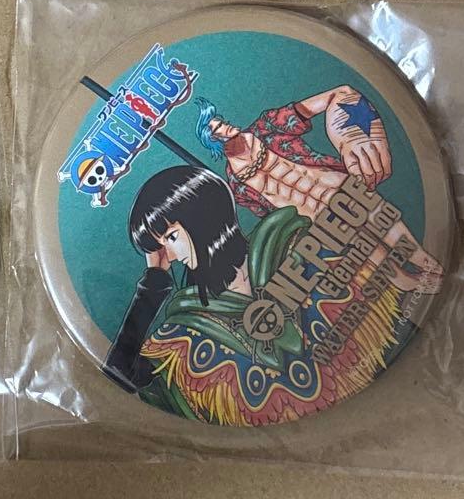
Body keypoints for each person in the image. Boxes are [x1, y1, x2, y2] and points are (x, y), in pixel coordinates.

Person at [104, 165, 407, 426]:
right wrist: (154, 281)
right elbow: (120, 374)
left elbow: (392, 302)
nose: (169, 255)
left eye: (171, 237)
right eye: (159, 246)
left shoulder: (293, 244)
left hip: (396, 393)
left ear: (203, 217)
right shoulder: (186, 331)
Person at [202, 83, 442, 293]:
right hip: (321, 222)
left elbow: (338, 94)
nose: (225, 126)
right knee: (371, 255)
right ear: (211, 139)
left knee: (397, 235)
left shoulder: (267, 127)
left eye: (221, 121)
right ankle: (407, 282)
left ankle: (432, 265)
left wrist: (355, 135)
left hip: (341, 188)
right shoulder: (236, 185)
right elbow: (271, 217)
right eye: (216, 128)